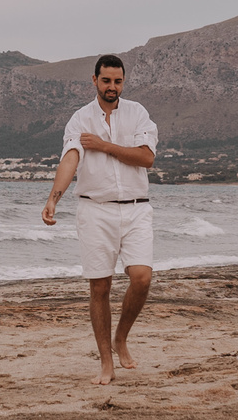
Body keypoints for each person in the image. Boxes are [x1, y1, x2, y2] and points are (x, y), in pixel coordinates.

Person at [42, 54, 158, 385]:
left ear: (123, 82)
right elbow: (70, 159)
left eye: (118, 81)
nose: (112, 87)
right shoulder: (79, 120)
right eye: (106, 81)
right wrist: (53, 200)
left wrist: (105, 145)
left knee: (142, 277)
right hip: (94, 209)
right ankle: (106, 361)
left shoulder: (138, 113)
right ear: (94, 81)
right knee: (100, 286)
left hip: (136, 207)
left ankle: (121, 336)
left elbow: (146, 157)